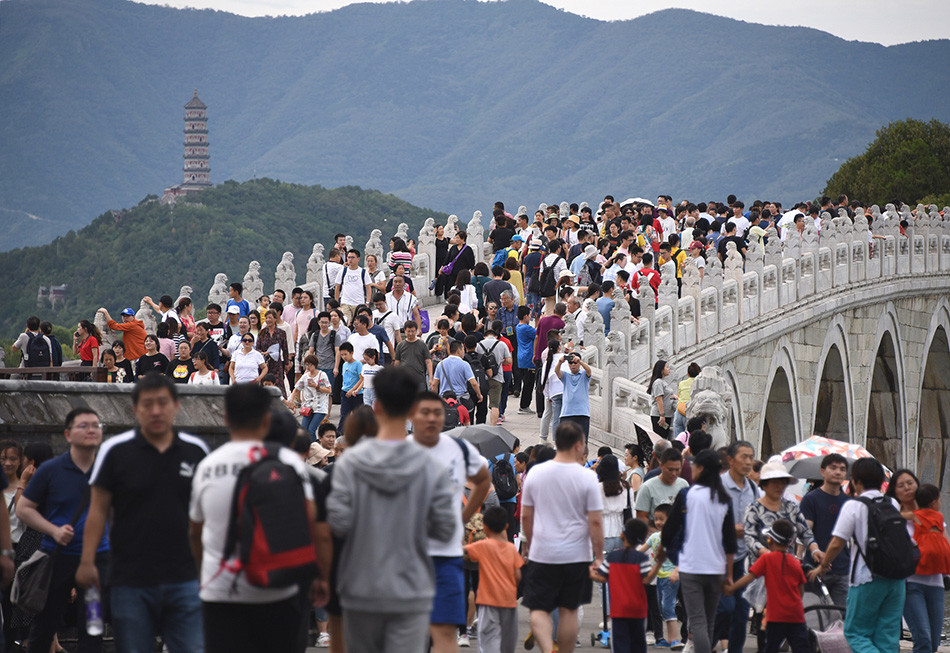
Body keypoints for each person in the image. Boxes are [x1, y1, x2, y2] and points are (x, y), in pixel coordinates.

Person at [327, 367, 457, 653]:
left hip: (360, 587)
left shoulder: (350, 463)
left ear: (376, 406)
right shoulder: (432, 468)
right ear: (413, 409)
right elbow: (447, 528)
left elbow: (337, 521)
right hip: (412, 589)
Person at [77, 373, 209, 652]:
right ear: (135, 409)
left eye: (163, 403)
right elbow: (98, 509)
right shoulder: (115, 451)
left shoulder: (196, 451)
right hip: (130, 576)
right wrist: (87, 561)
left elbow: (208, 514)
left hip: (185, 575)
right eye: (147, 404)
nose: (156, 411)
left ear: (177, 405)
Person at [188, 384, 321, 653]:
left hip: (221, 590)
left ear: (225, 418)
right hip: (279, 588)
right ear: (266, 419)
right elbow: (313, 522)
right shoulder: (289, 462)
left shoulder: (207, 466)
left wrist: (204, 574)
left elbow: (194, 533)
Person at [16, 408, 110, 653]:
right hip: (58, 559)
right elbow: (24, 508)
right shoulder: (51, 470)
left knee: (93, 624)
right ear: (68, 434)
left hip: (97, 561)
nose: (91, 430)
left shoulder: (109, 470)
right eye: (83, 426)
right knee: (45, 624)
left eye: (96, 426)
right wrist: (53, 530)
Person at [411, 391, 491, 653]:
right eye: (425, 412)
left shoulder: (459, 449)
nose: (432, 418)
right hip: (408, 558)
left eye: (437, 413)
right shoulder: (399, 452)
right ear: (413, 415)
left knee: (445, 630)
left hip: (447, 555)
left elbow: (483, 480)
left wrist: (463, 518)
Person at [521, 421, 603, 653]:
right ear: (579, 445)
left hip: (543, 551)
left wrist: (531, 544)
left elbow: (527, 516)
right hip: (576, 555)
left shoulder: (536, 473)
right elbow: (595, 521)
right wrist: (598, 557)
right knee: (569, 609)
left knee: (538, 608)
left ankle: (548, 648)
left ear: (556, 443)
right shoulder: (587, 477)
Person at [808, 458, 905, 653]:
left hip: (866, 578)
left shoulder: (854, 506)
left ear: (855, 481)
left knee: (855, 634)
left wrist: (823, 565)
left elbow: (837, 542)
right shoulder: (892, 503)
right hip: (897, 579)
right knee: (887, 636)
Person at [661, 450, 737, 653]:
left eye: (693, 465)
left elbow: (668, 532)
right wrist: (729, 574)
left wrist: (673, 555)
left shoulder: (688, 494)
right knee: (709, 621)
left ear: (701, 469)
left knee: (697, 621)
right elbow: (730, 541)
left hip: (692, 566)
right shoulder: (724, 498)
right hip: (716, 567)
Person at [726, 519, 809, 653]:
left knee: (770, 648)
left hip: (775, 617)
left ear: (770, 540)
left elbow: (749, 577)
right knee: (801, 648)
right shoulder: (795, 562)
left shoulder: (767, 559)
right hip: (796, 616)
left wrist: (731, 588)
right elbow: (801, 590)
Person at [714, 440, 758, 653]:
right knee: (724, 609)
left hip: (743, 559)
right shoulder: (717, 486)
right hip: (717, 557)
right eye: (744, 457)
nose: (748, 462)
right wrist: (730, 530)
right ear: (730, 460)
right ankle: (702, 641)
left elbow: (759, 519)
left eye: (751, 457)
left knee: (741, 615)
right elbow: (706, 521)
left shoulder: (753, 488)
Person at [591, 518, 659, 653]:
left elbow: (601, 578)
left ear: (622, 535)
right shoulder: (642, 559)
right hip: (638, 610)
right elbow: (647, 580)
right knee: (638, 644)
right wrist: (659, 563)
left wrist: (587, 570)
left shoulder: (612, 558)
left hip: (619, 610)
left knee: (620, 644)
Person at [464, 506, 524, 653]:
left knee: (489, 641)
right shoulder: (511, 549)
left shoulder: (483, 546)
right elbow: (518, 576)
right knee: (507, 642)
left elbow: (463, 551)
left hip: (488, 602)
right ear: (506, 526)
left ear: (484, 527)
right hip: (509, 603)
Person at [798, 453, 850, 608]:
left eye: (842, 469)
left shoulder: (848, 502)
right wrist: (809, 554)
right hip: (815, 567)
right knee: (815, 615)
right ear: (822, 471)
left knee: (842, 617)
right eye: (833, 468)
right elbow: (806, 531)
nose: (838, 472)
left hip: (843, 568)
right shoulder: (811, 499)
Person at [744, 463, 821, 565]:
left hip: (786, 568)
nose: (779, 487)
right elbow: (749, 537)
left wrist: (815, 550)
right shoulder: (753, 509)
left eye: (783, 482)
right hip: (760, 569)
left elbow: (805, 533)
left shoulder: (792, 508)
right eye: (775, 482)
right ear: (764, 484)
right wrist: (768, 554)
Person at [640, 505, 679, 649]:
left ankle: (674, 639)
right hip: (659, 577)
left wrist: (677, 571)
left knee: (667, 607)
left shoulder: (675, 537)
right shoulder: (654, 537)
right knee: (662, 608)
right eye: (656, 519)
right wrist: (626, 552)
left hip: (672, 576)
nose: (658, 522)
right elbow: (641, 550)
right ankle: (669, 639)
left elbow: (683, 556)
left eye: (662, 519)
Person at [635, 448, 688, 522]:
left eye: (677, 470)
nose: (674, 473)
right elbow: (641, 517)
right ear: (661, 465)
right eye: (670, 469)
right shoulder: (647, 487)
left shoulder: (683, 485)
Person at [288, 355, 331, 439]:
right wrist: (291, 401)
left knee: (311, 430)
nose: (308, 367)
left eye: (310, 365)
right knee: (303, 430)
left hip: (320, 406)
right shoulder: (305, 376)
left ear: (315, 365)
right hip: (308, 407)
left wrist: (317, 387)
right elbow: (296, 389)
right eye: (306, 365)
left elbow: (329, 390)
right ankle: (307, 448)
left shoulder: (322, 375)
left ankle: (314, 449)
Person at [554, 347, 592, 441]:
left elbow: (589, 371)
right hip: (567, 414)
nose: (573, 365)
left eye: (575, 363)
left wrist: (581, 362)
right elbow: (557, 372)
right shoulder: (566, 376)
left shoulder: (583, 375)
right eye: (571, 363)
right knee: (566, 443)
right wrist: (560, 362)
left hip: (582, 414)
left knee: (582, 442)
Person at [431, 340, 482, 407]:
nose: (464, 352)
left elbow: (434, 384)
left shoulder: (441, 364)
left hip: (444, 400)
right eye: (463, 349)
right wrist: (479, 394)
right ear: (458, 350)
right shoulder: (464, 364)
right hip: (460, 399)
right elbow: (474, 383)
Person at [596, 454, 631, 554]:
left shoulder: (597, 488)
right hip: (621, 534)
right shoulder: (627, 488)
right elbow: (631, 513)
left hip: (602, 533)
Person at [257, 309, 289, 395]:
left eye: (270, 318)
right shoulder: (262, 333)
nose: (268, 320)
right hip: (264, 363)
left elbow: (285, 349)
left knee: (279, 385)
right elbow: (257, 348)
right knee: (265, 384)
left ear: (275, 319)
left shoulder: (281, 333)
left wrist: (286, 363)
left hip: (276, 363)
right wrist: (263, 353)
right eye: (266, 318)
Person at [335, 249, 372, 323]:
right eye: (348, 257)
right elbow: (338, 287)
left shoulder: (363, 272)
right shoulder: (343, 271)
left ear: (358, 259)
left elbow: (368, 288)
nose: (350, 259)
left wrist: (367, 302)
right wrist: (336, 303)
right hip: (345, 303)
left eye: (352, 257)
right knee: (346, 322)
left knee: (358, 323)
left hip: (359, 303)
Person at [394, 321, 432, 391]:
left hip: (419, 380)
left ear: (416, 331)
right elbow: (397, 363)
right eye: (408, 331)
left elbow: (428, 362)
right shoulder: (400, 345)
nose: (410, 334)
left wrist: (430, 378)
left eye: (413, 331)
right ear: (405, 331)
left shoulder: (422, 345)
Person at [514, 306, 536, 414]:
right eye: (530, 315)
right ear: (526, 316)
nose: (530, 317)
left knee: (526, 383)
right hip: (528, 359)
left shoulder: (518, 327)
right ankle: (524, 405)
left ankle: (524, 405)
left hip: (522, 358)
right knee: (529, 384)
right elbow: (538, 334)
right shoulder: (526, 328)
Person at [648, 360, 677, 440]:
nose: (669, 369)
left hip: (666, 415)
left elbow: (665, 396)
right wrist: (662, 415)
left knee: (663, 439)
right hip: (659, 416)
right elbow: (658, 399)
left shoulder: (663, 382)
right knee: (660, 440)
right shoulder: (658, 383)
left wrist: (673, 397)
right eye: (667, 367)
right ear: (661, 370)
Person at [338, 342, 362, 428]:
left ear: (352, 353)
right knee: (344, 415)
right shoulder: (344, 364)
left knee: (358, 416)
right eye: (342, 355)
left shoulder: (358, 364)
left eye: (345, 354)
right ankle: (340, 433)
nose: (344, 357)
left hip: (356, 394)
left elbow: (361, 379)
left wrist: (352, 390)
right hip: (345, 392)